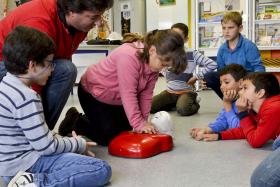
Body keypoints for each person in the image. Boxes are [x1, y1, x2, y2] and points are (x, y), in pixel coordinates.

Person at [0, 26, 111, 187]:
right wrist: (77, 144)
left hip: (10, 167)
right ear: (32, 65)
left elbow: (38, 137)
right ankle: (35, 183)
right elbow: (47, 147)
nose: (52, 70)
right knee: (101, 168)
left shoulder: (6, 85)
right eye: (49, 63)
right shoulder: (26, 97)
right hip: (26, 165)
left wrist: (65, 143)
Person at [58, 29, 187, 146]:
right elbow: (128, 94)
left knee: (126, 129)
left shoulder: (153, 65)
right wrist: (139, 124)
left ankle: (96, 121)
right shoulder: (129, 56)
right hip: (93, 94)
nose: (163, 68)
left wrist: (143, 123)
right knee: (108, 137)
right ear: (152, 50)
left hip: (115, 99)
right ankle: (75, 120)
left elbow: (146, 95)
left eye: (167, 66)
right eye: (163, 63)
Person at [0, 0, 114, 130]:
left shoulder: (80, 27)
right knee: (56, 76)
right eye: (94, 17)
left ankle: (43, 135)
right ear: (72, 11)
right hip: (6, 60)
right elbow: (32, 76)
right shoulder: (40, 21)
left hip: (31, 63)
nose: (99, 23)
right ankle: (29, 135)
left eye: (101, 16)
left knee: (66, 70)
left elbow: (62, 57)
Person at [151, 23, 217, 116]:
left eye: (179, 37)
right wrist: (165, 73)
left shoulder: (192, 53)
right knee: (150, 107)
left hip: (186, 92)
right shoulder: (166, 52)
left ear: (186, 39)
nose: (175, 40)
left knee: (183, 110)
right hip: (170, 92)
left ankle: (194, 101)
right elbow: (158, 66)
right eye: (172, 36)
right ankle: (175, 103)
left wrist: (196, 77)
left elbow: (212, 64)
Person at [200, 72, 280, 148]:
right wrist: (219, 135)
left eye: (245, 88)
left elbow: (255, 141)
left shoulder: (273, 108)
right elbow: (246, 130)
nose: (240, 92)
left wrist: (242, 113)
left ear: (260, 93)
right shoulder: (253, 109)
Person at [204, 11, 265, 99]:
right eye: (224, 28)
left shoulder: (249, 46)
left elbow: (259, 69)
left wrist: (253, 86)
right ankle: (230, 99)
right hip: (230, 80)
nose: (226, 31)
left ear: (240, 28)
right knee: (209, 77)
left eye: (231, 27)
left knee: (251, 77)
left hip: (246, 79)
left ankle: (246, 99)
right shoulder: (222, 49)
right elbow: (221, 71)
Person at [190, 64, 247, 140]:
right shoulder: (231, 99)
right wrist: (208, 130)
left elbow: (238, 128)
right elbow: (222, 120)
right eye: (221, 83)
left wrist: (227, 105)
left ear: (240, 83)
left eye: (226, 82)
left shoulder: (246, 102)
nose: (221, 87)